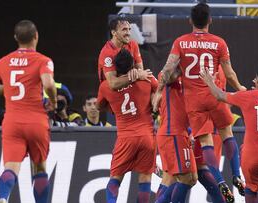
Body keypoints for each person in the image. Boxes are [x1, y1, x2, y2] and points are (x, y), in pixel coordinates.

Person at [152, 3, 246, 202]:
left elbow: (167, 71)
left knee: (201, 152)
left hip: (194, 105)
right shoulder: (219, 44)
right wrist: (240, 89)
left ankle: (220, 181)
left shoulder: (181, 43)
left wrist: (160, 90)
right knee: (227, 134)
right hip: (214, 98)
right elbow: (229, 74)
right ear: (210, 20)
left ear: (190, 21)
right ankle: (236, 173)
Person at [0, 20, 57, 203]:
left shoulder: (3, 61)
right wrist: (53, 101)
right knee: (39, 168)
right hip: (36, 121)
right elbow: (48, 83)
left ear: (16, 38)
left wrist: (10, 88)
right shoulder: (43, 60)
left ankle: (2, 197)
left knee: (10, 168)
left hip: (12, 122)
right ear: (36, 36)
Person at [200, 61, 258, 203]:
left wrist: (209, 82)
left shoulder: (246, 96)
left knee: (250, 188)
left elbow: (220, 95)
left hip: (251, 156)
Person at [97, 49, 157, 203]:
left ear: (115, 67)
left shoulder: (105, 86)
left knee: (115, 179)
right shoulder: (147, 79)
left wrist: (114, 108)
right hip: (147, 137)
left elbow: (99, 106)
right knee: (145, 179)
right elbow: (160, 93)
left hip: (126, 138)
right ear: (132, 65)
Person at [154, 70, 198, 203]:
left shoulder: (191, 79)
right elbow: (168, 76)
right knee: (186, 178)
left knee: (187, 178)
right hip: (172, 134)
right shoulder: (167, 74)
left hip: (179, 133)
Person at [98, 16, 152, 89]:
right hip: (111, 94)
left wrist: (136, 72)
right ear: (113, 32)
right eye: (124, 30)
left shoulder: (133, 44)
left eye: (129, 29)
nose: (129, 33)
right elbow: (113, 84)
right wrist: (136, 76)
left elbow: (140, 70)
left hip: (129, 89)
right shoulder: (107, 53)